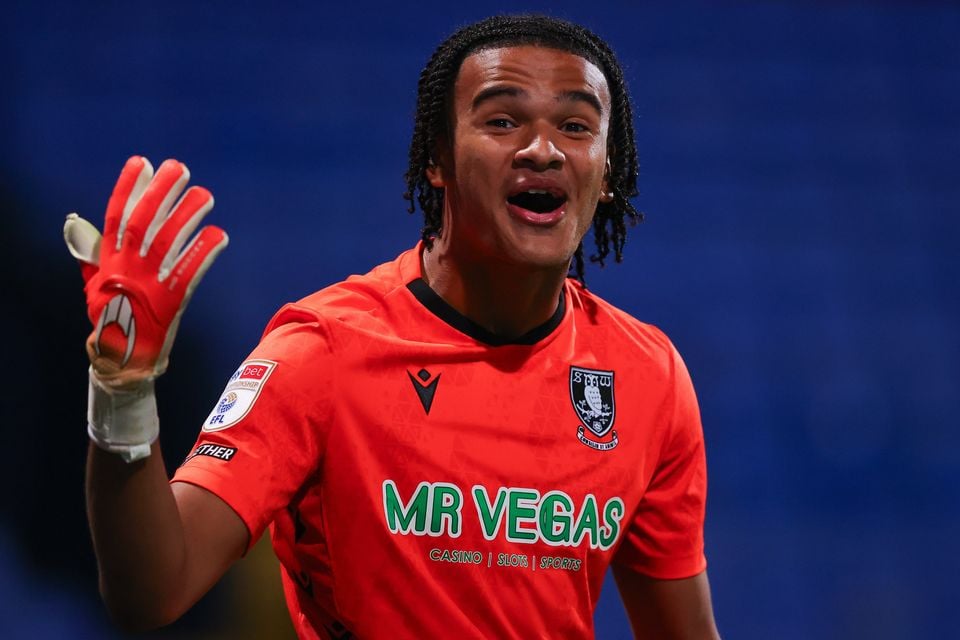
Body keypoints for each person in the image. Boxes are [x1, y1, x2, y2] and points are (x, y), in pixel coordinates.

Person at [65, 14, 720, 639]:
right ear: (436, 158)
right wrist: (123, 392)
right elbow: (151, 591)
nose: (543, 149)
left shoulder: (646, 376)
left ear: (607, 171)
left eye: (576, 127)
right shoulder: (320, 352)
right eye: (501, 120)